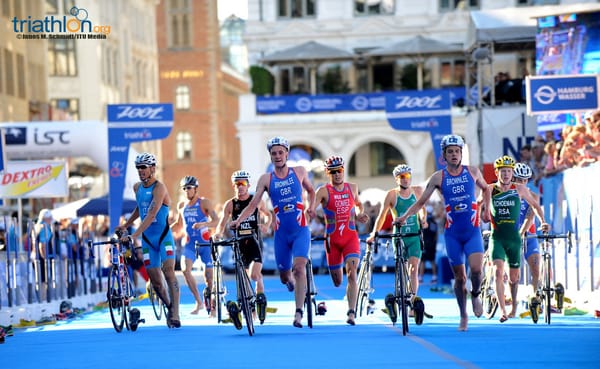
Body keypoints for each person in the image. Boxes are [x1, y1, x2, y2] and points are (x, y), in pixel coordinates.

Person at [394, 134, 491, 332]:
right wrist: (404, 217)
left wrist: (485, 208)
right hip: (452, 234)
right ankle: (463, 315)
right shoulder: (438, 177)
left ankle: (476, 295)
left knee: (476, 270)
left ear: (461, 153)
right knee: (460, 278)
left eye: (457, 151)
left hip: (472, 231)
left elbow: (487, 189)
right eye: (450, 152)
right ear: (443, 156)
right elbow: (421, 203)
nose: (454, 155)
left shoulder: (472, 171)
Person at [229, 136, 316, 328]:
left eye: (280, 152)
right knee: (285, 276)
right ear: (270, 156)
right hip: (281, 235)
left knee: (300, 267)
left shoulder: (299, 171)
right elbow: (253, 204)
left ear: (287, 153)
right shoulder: (266, 179)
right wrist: (238, 220)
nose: (277, 156)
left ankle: (299, 312)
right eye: (273, 153)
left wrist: (311, 207)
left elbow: (311, 191)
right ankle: (289, 281)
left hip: (301, 230)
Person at [117, 152, 181, 328]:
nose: (141, 171)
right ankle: (169, 307)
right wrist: (126, 224)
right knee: (156, 283)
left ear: (152, 168)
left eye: (144, 167)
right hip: (148, 239)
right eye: (138, 168)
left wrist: (134, 234)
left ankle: (175, 313)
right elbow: (140, 208)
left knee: (168, 271)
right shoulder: (137, 187)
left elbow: (152, 212)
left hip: (163, 237)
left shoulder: (159, 188)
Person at [487, 156, 549, 323]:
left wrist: (529, 228)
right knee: (512, 275)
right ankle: (511, 305)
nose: (522, 182)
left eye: (525, 179)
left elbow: (531, 215)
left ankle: (536, 299)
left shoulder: (531, 195)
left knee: (536, 267)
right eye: (519, 179)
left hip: (528, 236)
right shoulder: (507, 191)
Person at [309, 156, 369, 326]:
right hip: (332, 241)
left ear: (343, 170)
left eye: (340, 171)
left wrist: (359, 213)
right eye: (333, 172)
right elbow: (311, 209)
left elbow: (358, 204)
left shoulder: (352, 187)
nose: (337, 174)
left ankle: (351, 312)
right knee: (337, 282)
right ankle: (345, 291)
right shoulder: (323, 191)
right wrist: (311, 214)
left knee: (352, 273)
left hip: (351, 237)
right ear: (328, 173)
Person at [367, 164, 426, 324]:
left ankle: (413, 302)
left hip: (414, 236)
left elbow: (422, 208)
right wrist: (374, 233)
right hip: (399, 236)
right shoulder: (391, 195)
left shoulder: (418, 191)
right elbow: (381, 215)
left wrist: (424, 219)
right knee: (401, 268)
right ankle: (399, 293)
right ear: (396, 179)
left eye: (407, 176)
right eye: (402, 177)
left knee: (413, 269)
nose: (405, 179)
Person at [214, 170, 273, 325]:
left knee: (254, 275)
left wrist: (266, 225)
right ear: (233, 186)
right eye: (237, 184)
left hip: (255, 242)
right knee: (244, 279)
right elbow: (221, 224)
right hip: (239, 244)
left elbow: (268, 215)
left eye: (243, 183)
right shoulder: (230, 204)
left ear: (248, 185)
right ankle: (250, 308)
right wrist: (218, 235)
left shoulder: (256, 201)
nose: (240, 187)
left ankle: (260, 299)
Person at [171, 175, 219, 315]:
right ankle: (199, 302)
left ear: (196, 189)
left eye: (189, 188)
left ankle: (213, 304)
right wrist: (165, 230)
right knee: (185, 270)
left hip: (205, 244)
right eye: (184, 189)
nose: (186, 191)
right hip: (189, 244)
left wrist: (204, 224)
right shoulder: (182, 206)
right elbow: (179, 225)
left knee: (209, 277)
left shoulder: (204, 203)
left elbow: (216, 221)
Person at [420, 204, 439, 284]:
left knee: (423, 261)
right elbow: (436, 234)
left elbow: (422, 232)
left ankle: (420, 278)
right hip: (432, 244)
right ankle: (434, 277)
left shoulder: (425, 221)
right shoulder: (434, 222)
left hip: (426, 243)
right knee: (432, 260)